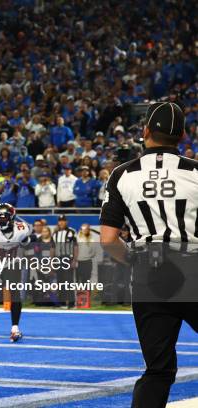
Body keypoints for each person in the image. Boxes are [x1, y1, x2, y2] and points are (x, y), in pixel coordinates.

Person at [99, 102, 198, 408]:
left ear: (145, 132)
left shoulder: (122, 175)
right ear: (182, 135)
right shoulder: (195, 173)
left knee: (158, 371)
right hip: (192, 266)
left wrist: (135, 262)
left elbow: (108, 240)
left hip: (148, 272)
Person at [0, 203, 33, 342]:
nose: (1, 220)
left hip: (12, 264)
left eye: (4, 217)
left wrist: (33, 264)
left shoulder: (21, 229)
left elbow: (27, 246)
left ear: (12, 217)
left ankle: (15, 328)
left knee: (15, 295)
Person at [52, 215, 78, 308]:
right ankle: (62, 302)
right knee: (60, 281)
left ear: (67, 222)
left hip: (68, 258)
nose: (61, 222)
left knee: (69, 281)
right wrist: (52, 261)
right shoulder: (55, 234)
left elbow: (75, 246)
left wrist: (74, 260)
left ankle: (71, 303)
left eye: (63, 221)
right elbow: (52, 248)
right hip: (58, 259)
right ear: (58, 222)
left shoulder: (72, 232)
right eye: (60, 221)